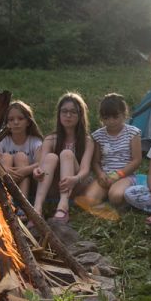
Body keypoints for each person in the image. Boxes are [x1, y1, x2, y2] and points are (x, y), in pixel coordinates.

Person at [32, 92, 94, 223]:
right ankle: (37, 208)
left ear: (80, 115)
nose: (68, 115)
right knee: (50, 157)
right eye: (64, 111)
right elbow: (42, 165)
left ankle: (63, 205)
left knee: (67, 153)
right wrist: (38, 171)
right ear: (59, 114)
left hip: (77, 185)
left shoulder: (87, 140)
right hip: (53, 186)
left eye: (73, 112)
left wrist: (74, 179)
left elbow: (85, 169)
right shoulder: (50, 139)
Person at [78, 94, 141, 218]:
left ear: (124, 115)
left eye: (115, 117)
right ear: (101, 118)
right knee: (88, 199)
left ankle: (119, 197)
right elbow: (96, 162)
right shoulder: (98, 136)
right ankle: (108, 196)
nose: (111, 121)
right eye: (106, 118)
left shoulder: (133, 133)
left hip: (125, 175)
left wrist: (117, 175)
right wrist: (101, 175)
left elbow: (137, 160)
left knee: (115, 196)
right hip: (105, 176)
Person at [0, 100, 43, 202]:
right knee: (6, 157)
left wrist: (23, 171)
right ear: (7, 123)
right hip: (5, 180)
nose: (16, 122)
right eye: (11, 119)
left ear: (28, 122)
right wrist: (5, 170)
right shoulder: (2, 140)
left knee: (21, 156)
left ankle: (22, 206)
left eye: (20, 118)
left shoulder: (35, 141)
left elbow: (41, 163)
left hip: (28, 183)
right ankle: (7, 203)